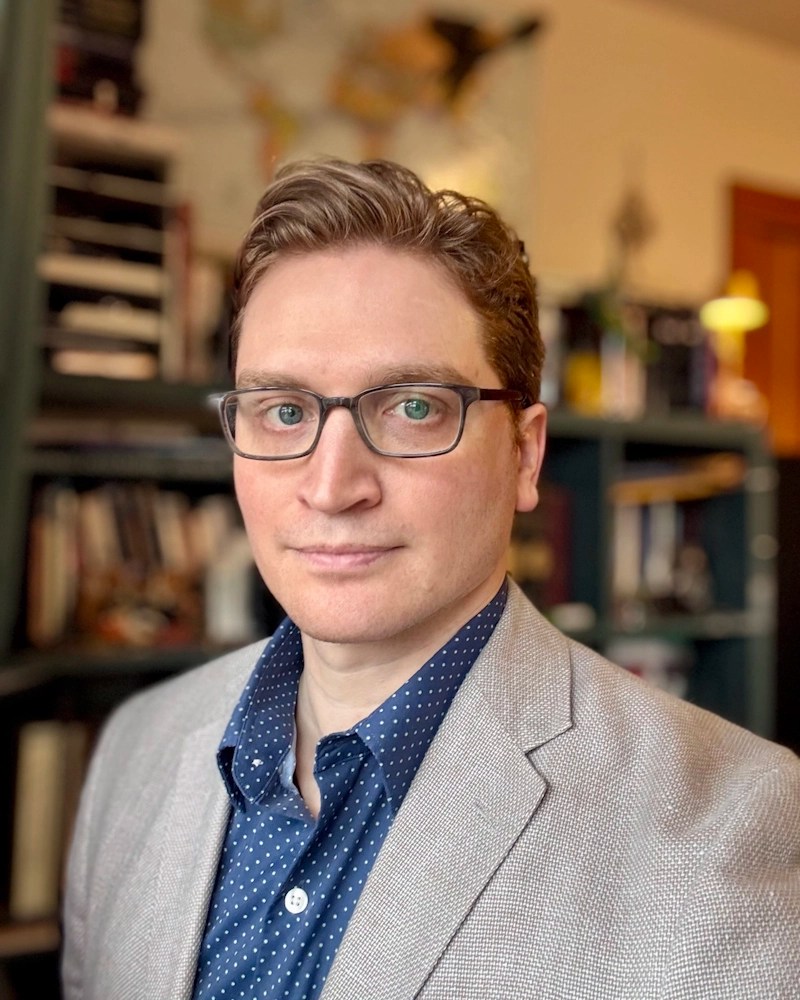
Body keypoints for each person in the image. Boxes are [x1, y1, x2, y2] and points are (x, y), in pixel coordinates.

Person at [62, 158, 800, 1000]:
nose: (332, 486)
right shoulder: (137, 749)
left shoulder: (734, 829)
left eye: (412, 407)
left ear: (524, 455)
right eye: (284, 411)